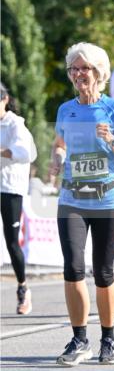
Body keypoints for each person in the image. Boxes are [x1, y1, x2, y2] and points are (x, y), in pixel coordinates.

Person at [50, 43, 114, 365]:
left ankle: (109, 340)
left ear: (99, 72)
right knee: (72, 268)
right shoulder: (65, 110)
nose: (78, 74)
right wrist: (57, 160)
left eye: (84, 68)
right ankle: (79, 339)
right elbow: (59, 145)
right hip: (72, 198)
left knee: (102, 271)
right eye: (74, 68)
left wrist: (111, 140)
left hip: (107, 200)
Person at [1, 82, 37, 314]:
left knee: (12, 242)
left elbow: (27, 153)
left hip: (10, 189)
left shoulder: (16, 124)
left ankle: (23, 287)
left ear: (4, 99)